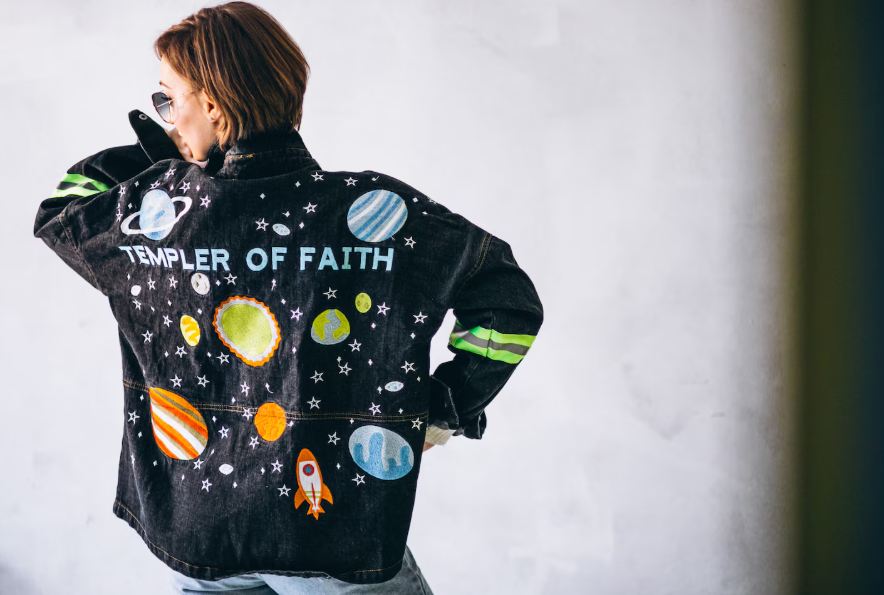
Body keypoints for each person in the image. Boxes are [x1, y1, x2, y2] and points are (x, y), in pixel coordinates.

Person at [33, 2, 543, 593]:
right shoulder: (378, 212)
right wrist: (442, 408)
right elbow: (507, 302)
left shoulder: (160, 214)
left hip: (198, 529)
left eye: (169, 100)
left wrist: (162, 159)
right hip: (329, 532)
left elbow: (63, 209)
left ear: (213, 106)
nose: (168, 119)